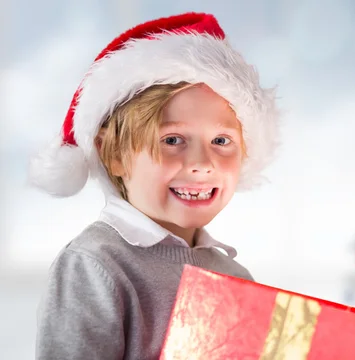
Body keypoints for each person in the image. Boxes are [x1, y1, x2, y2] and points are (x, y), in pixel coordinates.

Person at [28, 12, 279, 359]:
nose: (202, 163)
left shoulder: (236, 277)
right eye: (173, 139)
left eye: (221, 141)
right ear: (112, 154)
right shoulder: (94, 264)